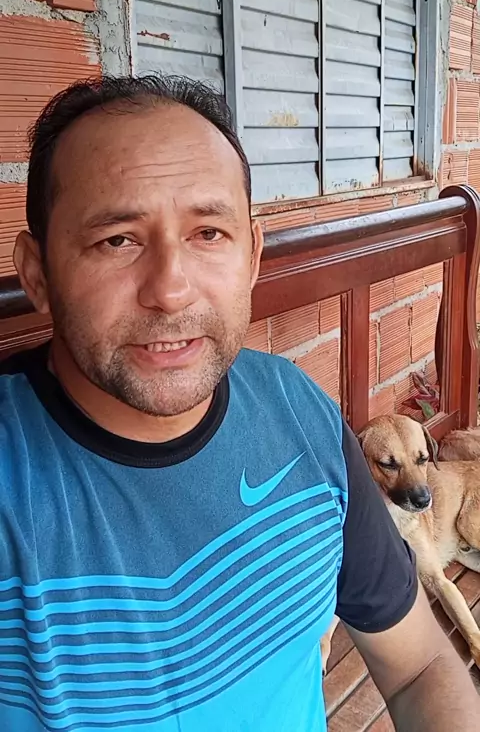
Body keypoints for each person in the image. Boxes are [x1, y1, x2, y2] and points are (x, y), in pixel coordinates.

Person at [0, 75, 477, 732]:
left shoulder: (299, 414)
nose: (170, 290)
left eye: (208, 233)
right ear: (37, 273)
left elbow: (420, 666)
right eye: (118, 240)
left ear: (252, 256)